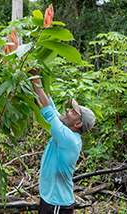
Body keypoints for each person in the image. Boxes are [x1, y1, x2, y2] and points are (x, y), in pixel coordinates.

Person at [30, 69, 96, 214]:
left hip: (57, 205)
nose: (68, 111)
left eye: (73, 112)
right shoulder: (68, 132)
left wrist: (35, 79)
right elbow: (51, 107)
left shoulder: (68, 139)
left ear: (78, 124)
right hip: (51, 200)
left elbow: (48, 111)